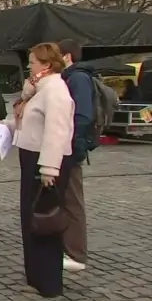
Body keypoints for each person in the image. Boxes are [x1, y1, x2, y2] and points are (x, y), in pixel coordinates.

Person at [0, 42, 75, 298]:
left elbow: (57, 131)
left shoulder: (55, 90)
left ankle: (49, 281)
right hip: (31, 156)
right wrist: (3, 125)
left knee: (45, 220)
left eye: (32, 61)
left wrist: (50, 168)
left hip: (45, 162)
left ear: (46, 63)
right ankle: (35, 276)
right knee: (30, 219)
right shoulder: (37, 90)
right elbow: (30, 123)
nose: (28, 66)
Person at [57, 39, 94, 271]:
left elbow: (81, 116)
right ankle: (68, 247)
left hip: (71, 147)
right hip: (65, 145)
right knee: (64, 200)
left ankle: (76, 253)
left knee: (72, 201)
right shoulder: (68, 78)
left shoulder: (77, 78)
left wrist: (71, 142)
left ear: (67, 56)